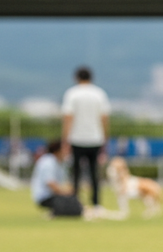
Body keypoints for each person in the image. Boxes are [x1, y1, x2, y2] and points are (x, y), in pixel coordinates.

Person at [61, 66, 111, 211]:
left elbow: (68, 118)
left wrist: (65, 140)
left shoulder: (72, 94)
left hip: (76, 138)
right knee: (94, 173)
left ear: (76, 78)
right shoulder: (99, 94)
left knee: (75, 174)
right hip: (95, 138)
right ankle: (96, 204)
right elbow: (104, 118)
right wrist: (105, 138)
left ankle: (75, 203)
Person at [30, 139, 83, 218]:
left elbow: (65, 182)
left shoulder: (62, 163)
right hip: (45, 196)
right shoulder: (47, 162)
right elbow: (51, 184)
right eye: (65, 149)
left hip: (56, 194)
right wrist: (66, 193)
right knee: (72, 203)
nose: (68, 152)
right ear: (57, 151)